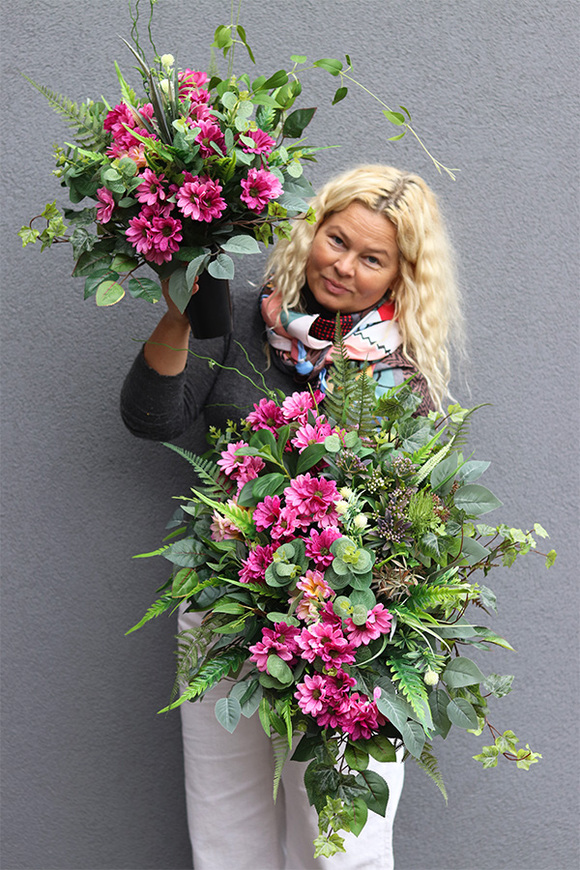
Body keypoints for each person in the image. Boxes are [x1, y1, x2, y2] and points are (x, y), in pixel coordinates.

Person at [121, 164, 462, 870]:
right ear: (313, 229)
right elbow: (152, 418)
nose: (344, 266)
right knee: (226, 825)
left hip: (341, 634)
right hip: (223, 608)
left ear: (401, 277)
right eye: (337, 241)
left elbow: (415, 518)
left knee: (342, 841)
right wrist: (181, 312)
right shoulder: (245, 314)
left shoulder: (402, 371)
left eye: (373, 260)